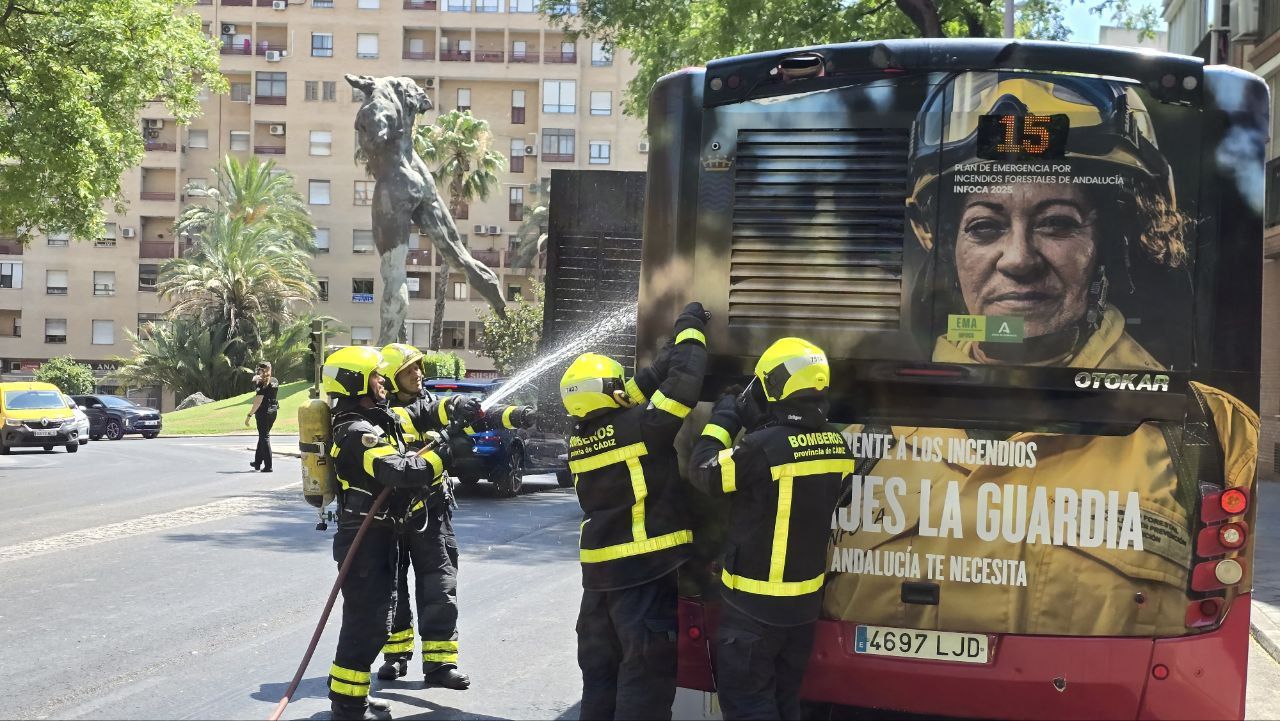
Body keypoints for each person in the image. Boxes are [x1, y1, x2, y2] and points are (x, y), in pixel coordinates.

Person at [823, 72, 1260, 637]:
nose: (1019, 259)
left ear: (1112, 240)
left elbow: (1217, 631)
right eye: (984, 227)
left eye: (1057, 223)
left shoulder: (1215, 434)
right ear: (947, 246)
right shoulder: (857, 425)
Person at [689, 338, 852, 720]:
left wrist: (725, 418)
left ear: (776, 385)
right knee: (784, 702)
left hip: (752, 611)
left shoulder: (762, 449)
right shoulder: (838, 446)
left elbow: (704, 471)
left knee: (749, 706)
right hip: (802, 610)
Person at [560, 301, 709, 721]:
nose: (626, 386)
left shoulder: (582, 438)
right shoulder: (640, 427)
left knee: (601, 683)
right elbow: (684, 387)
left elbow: (639, 388)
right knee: (643, 684)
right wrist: (692, 330)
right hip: (641, 575)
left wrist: (664, 358)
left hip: (599, 584)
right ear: (609, 392)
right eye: (617, 383)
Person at [321, 346, 474, 721]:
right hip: (365, 538)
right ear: (356, 382)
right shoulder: (356, 430)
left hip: (379, 535)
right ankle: (347, 706)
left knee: (375, 619)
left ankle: (352, 699)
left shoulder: (377, 419)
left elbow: (419, 418)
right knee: (367, 621)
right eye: (375, 375)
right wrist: (443, 454)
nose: (382, 380)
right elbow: (400, 472)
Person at [373, 343, 536, 690]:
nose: (418, 373)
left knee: (439, 585)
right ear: (390, 377)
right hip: (390, 516)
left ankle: (440, 663)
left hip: (431, 511)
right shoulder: (378, 414)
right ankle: (396, 655)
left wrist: (514, 415)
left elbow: (466, 413)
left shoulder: (428, 403)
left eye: (419, 367)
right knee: (392, 588)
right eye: (408, 370)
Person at [246, 361, 279, 472]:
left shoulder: (262, 384)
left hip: (263, 412)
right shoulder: (275, 381)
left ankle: (268, 466)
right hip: (273, 411)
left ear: (261, 370)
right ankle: (258, 462)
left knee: (264, 437)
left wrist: (249, 415)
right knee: (263, 436)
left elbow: (258, 402)